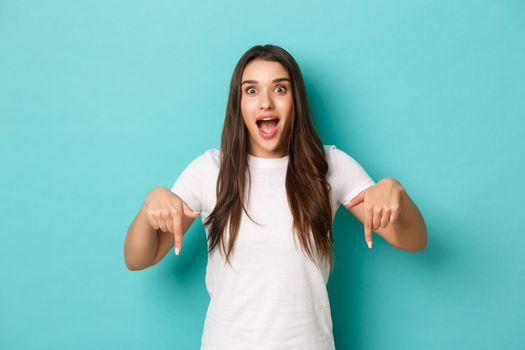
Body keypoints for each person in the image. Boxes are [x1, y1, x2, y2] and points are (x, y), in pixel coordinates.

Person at [124, 44, 427, 349]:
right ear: (238, 104)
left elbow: (414, 240)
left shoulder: (329, 166)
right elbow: (138, 258)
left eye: (279, 89)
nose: (266, 103)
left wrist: (395, 192)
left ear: (295, 100)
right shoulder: (209, 170)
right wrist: (149, 206)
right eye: (251, 91)